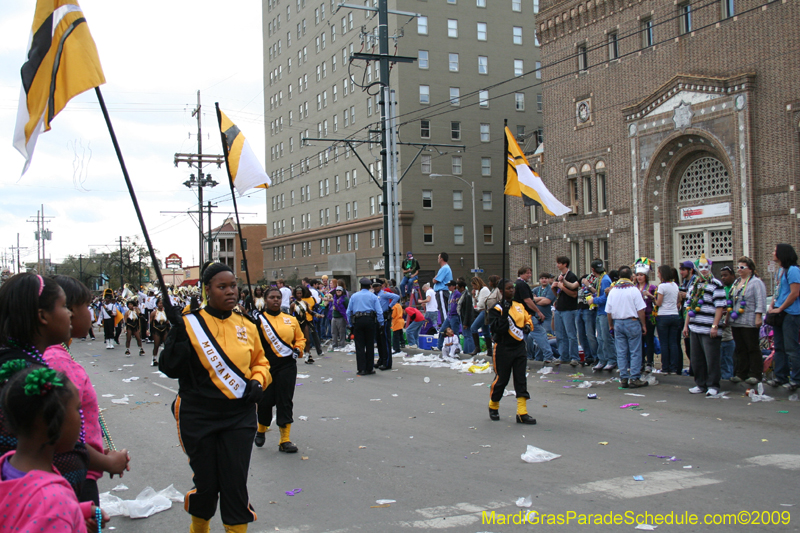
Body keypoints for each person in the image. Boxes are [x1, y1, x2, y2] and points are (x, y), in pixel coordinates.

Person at [160, 262, 269, 533]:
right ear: (207, 290)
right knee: (207, 484)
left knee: (234, 484)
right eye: (222, 287)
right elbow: (170, 368)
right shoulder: (189, 324)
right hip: (198, 415)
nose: (230, 292)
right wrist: (176, 334)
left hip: (239, 415)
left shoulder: (247, 324)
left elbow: (261, 362)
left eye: (233, 286)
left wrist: (258, 380)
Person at [0, 364, 109, 532]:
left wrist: (77, 511)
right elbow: (47, 513)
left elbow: (21, 511)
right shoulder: (51, 505)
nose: (81, 419)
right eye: (77, 409)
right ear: (52, 421)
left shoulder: (7, 466)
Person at [251, 287, 306, 453]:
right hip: (266, 365)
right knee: (265, 401)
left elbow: (300, 338)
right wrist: (253, 322)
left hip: (287, 365)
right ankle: (261, 429)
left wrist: (298, 348)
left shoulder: (291, 319)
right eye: (272, 297)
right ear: (265, 300)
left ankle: (285, 439)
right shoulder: (258, 320)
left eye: (278, 297)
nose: (275, 300)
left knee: (285, 400)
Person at [487, 279, 537, 424]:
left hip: (519, 347)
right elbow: (497, 329)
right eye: (508, 289)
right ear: (501, 291)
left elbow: (527, 318)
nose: (512, 290)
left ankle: (522, 412)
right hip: (503, 347)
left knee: (521, 379)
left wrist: (528, 326)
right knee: (502, 380)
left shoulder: (519, 305)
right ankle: (493, 405)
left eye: (512, 288)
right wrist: (504, 314)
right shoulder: (496, 308)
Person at [682, 254, 726, 396]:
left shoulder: (716, 285)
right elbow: (689, 307)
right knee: (696, 358)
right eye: (701, 267)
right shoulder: (694, 285)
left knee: (711, 359)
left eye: (707, 267)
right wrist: (686, 325)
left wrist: (715, 326)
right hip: (695, 327)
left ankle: (713, 385)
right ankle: (700, 383)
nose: (704, 270)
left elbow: (720, 307)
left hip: (709, 328)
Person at [605, 266, 648, 388]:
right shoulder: (634, 290)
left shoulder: (613, 291)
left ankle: (623, 377)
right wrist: (643, 324)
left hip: (618, 322)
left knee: (621, 351)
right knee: (635, 351)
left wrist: (611, 325)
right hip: (632, 322)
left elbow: (609, 311)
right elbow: (640, 309)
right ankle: (634, 377)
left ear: (619, 277)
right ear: (631, 277)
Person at [766, 243, 800, 390]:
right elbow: (778, 290)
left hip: (790, 313)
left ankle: (796, 379)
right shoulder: (780, 271)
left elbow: (794, 293)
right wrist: (773, 305)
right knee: (778, 346)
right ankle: (781, 376)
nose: (773, 253)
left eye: (775, 250)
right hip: (778, 312)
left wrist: (781, 308)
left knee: (791, 348)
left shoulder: (793, 270)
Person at [730, 257, 767, 385]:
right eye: (738, 267)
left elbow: (761, 300)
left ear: (750, 269)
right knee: (740, 348)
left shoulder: (756, 282)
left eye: (742, 267)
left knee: (752, 347)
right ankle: (741, 373)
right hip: (736, 320)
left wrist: (758, 316)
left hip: (750, 320)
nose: (739, 270)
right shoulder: (737, 282)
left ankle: (755, 373)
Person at [346, 278, 384, 375]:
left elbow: (348, 312)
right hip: (370, 320)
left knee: (359, 346)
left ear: (360, 286)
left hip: (358, 321)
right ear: (370, 286)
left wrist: (351, 324)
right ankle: (369, 368)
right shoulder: (373, 296)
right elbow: (379, 312)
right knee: (370, 345)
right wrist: (381, 323)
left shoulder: (354, 296)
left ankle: (361, 369)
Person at [512, 267, 547, 362]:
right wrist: (538, 311)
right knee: (541, 333)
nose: (530, 275)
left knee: (525, 336)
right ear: (521, 274)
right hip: (527, 314)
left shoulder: (515, 284)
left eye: (530, 273)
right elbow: (527, 300)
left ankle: (528, 355)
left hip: (518, 314)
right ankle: (548, 356)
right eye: (527, 273)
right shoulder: (522, 285)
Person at [654, 265, 683, 374]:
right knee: (673, 343)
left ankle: (665, 367)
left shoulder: (662, 287)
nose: (657, 275)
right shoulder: (675, 285)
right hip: (674, 315)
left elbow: (659, 302)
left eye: (659, 273)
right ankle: (674, 367)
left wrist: (653, 299)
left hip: (663, 315)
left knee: (664, 343)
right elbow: (678, 298)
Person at [586, 262, 615, 371]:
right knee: (600, 338)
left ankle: (611, 359)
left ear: (592, 269)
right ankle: (602, 360)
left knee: (606, 337)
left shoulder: (605, 280)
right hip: (600, 312)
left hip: (604, 312)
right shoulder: (601, 279)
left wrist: (594, 300)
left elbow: (606, 297)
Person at [552, 256, 580, 366]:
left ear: (565, 264)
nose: (557, 265)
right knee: (560, 334)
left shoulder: (571, 276)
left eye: (559, 263)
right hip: (559, 308)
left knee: (571, 334)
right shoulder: (559, 277)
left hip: (569, 309)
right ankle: (563, 356)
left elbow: (574, 294)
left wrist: (562, 287)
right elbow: (558, 295)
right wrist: (553, 288)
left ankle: (575, 357)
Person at [634, 258, 658, 373]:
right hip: (637, 317)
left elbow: (657, 302)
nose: (639, 277)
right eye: (637, 275)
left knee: (649, 340)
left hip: (648, 316)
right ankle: (641, 361)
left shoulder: (652, 288)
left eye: (641, 275)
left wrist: (651, 296)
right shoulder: (633, 288)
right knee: (639, 341)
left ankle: (650, 362)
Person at [290, 285, 322, 364]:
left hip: (305, 322)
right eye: (297, 293)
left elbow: (310, 311)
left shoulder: (305, 303)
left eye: (300, 293)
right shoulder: (293, 304)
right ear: (295, 294)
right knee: (294, 340)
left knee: (307, 339)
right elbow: (290, 315)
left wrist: (318, 315)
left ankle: (308, 355)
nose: (299, 295)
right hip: (297, 323)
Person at [374, 280, 400, 370]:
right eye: (374, 286)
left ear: (381, 286)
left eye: (377, 286)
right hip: (377, 318)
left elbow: (396, 297)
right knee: (379, 341)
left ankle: (387, 362)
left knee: (385, 340)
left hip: (384, 317)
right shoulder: (374, 295)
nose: (375, 288)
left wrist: (390, 306)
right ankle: (381, 359)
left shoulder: (384, 293)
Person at [531, 273, 557, 362]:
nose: (544, 280)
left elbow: (547, 301)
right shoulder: (535, 289)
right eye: (542, 278)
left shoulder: (551, 289)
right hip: (536, 317)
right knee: (537, 339)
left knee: (545, 338)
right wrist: (540, 299)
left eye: (546, 278)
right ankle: (538, 358)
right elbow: (531, 300)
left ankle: (545, 357)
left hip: (547, 318)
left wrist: (535, 301)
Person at [718, 267, 737, 381]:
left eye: (726, 275)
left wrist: (726, 318)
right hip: (722, 323)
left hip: (730, 325)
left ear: (733, 276)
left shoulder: (734, 289)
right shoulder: (723, 289)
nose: (723, 278)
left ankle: (727, 377)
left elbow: (731, 307)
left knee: (727, 356)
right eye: (722, 276)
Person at [576, 270, 598, 367]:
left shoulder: (596, 282)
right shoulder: (582, 284)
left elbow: (597, 292)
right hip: (579, 309)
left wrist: (588, 285)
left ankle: (596, 357)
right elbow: (574, 286)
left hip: (589, 310)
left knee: (590, 334)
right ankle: (588, 357)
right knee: (581, 335)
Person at [436, 280, 464, 351]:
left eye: (450, 286)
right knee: (442, 331)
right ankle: (439, 346)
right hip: (449, 315)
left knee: (454, 332)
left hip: (455, 316)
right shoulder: (451, 294)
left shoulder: (457, 294)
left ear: (454, 286)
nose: (448, 287)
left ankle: (456, 347)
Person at [468, 277, 492, 356]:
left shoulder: (484, 290)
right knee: (486, 331)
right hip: (481, 311)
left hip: (484, 311)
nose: (473, 288)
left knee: (473, 327)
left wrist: (476, 305)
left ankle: (477, 347)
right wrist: (474, 296)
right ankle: (489, 350)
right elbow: (474, 303)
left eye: (473, 285)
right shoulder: (479, 291)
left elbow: (481, 304)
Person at [432, 252, 453, 325]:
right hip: (445, 291)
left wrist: (435, 277)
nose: (438, 259)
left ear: (442, 259)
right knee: (445, 309)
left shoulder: (444, 268)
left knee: (443, 310)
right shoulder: (446, 268)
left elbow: (435, 280)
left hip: (442, 291)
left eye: (438, 257)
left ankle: (446, 327)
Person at [150, 298, 171, 367]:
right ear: (157, 304)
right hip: (156, 329)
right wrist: (148, 331)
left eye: (162, 303)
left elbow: (167, 322)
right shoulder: (153, 313)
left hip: (164, 329)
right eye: (159, 303)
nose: (161, 305)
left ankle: (166, 359)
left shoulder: (166, 312)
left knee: (167, 344)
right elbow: (150, 322)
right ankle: (154, 359)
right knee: (156, 345)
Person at [456, 279, 475, 353]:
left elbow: (467, 310)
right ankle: (466, 350)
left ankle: (470, 350)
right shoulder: (463, 296)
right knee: (466, 335)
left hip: (466, 319)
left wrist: (465, 322)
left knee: (468, 335)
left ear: (462, 288)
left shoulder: (467, 296)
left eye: (458, 288)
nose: (458, 290)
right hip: (463, 317)